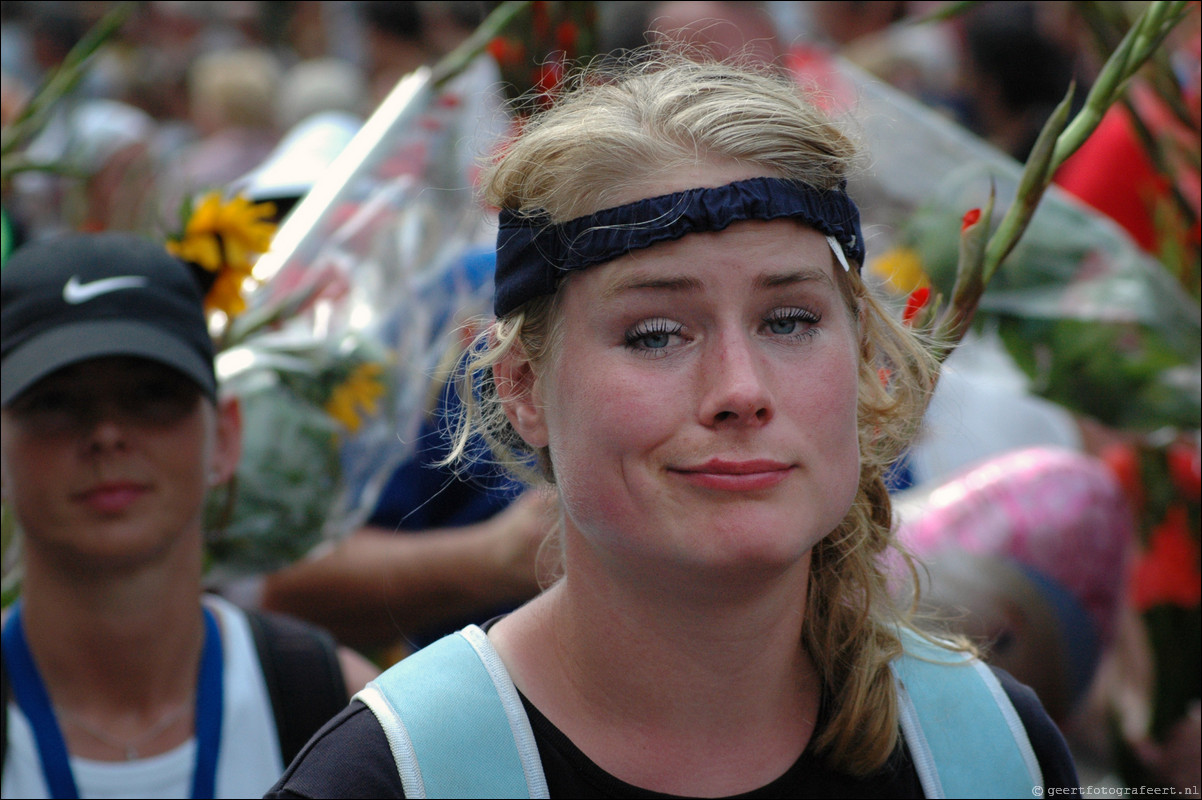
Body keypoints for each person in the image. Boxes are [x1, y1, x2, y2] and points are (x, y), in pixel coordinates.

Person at [267, 54, 1078, 798]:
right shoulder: (398, 777)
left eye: (789, 320)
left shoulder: (990, 753)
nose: (740, 389)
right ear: (521, 388)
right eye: (656, 333)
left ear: (867, 358)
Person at [0, 232, 378, 798]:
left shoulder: (336, 714)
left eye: (152, 394)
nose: (107, 435)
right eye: (54, 401)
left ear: (226, 436)